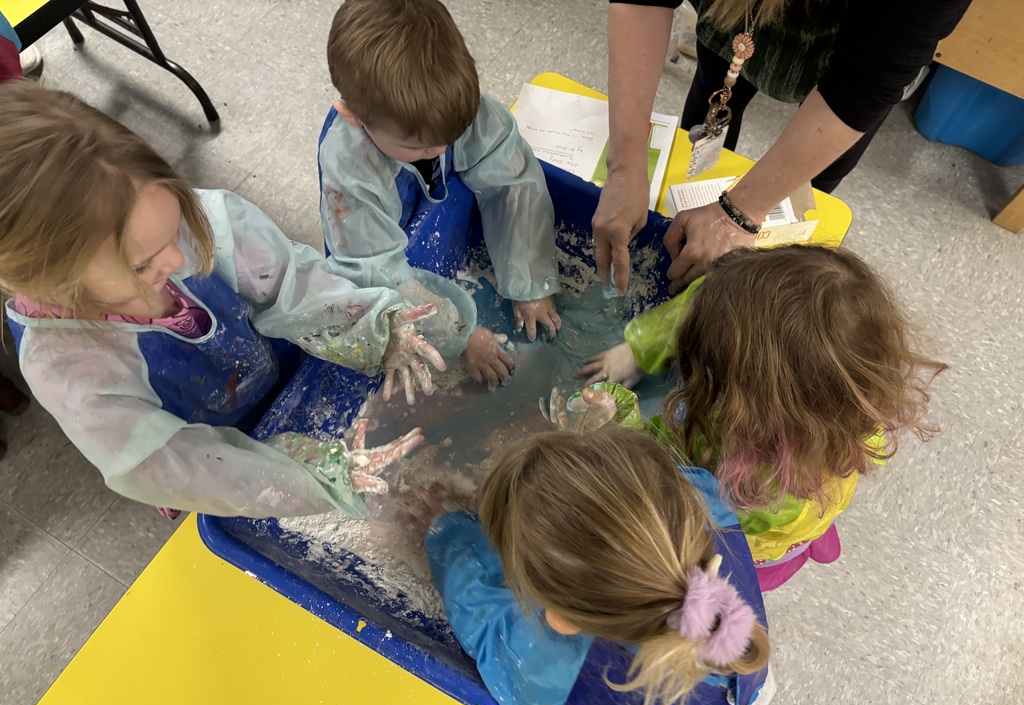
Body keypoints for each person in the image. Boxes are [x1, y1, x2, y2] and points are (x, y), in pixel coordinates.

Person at [0, 80, 445, 520]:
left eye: (174, 230)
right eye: (142, 266)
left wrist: (371, 327)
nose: (177, 257)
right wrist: (312, 476)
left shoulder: (186, 221)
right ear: (50, 283)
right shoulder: (69, 374)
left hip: (272, 367)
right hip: (211, 451)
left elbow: (293, 285)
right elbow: (183, 466)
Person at [577, 245, 946, 589]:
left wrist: (616, 421)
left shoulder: (738, 477)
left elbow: (657, 490)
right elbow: (719, 297)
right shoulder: (853, 402)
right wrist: (639, 348)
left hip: (734, 547)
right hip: (806, 513)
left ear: (743, 404)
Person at [422, 427, 772, 705]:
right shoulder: (704, 500)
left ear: (561, 620)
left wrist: (447, 530)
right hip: (747, 686)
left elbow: (481, 619)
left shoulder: (566, 675)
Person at [593, 0, 972, 293]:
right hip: (738, 18)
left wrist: (739, 214)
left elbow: (864, 84)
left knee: (809, 196)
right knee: (716, 100)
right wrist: (625, 164)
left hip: (856, 57)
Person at [319, 0, 562, 391]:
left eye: (449, 139)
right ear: (353, 115)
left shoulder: (447, 101)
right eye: (421, 147)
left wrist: (530, 280)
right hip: (371, 237)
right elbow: (376, 272)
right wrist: (459, 336)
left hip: (418, 197)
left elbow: (511, 176)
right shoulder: (349, 174)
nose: (440, 149)